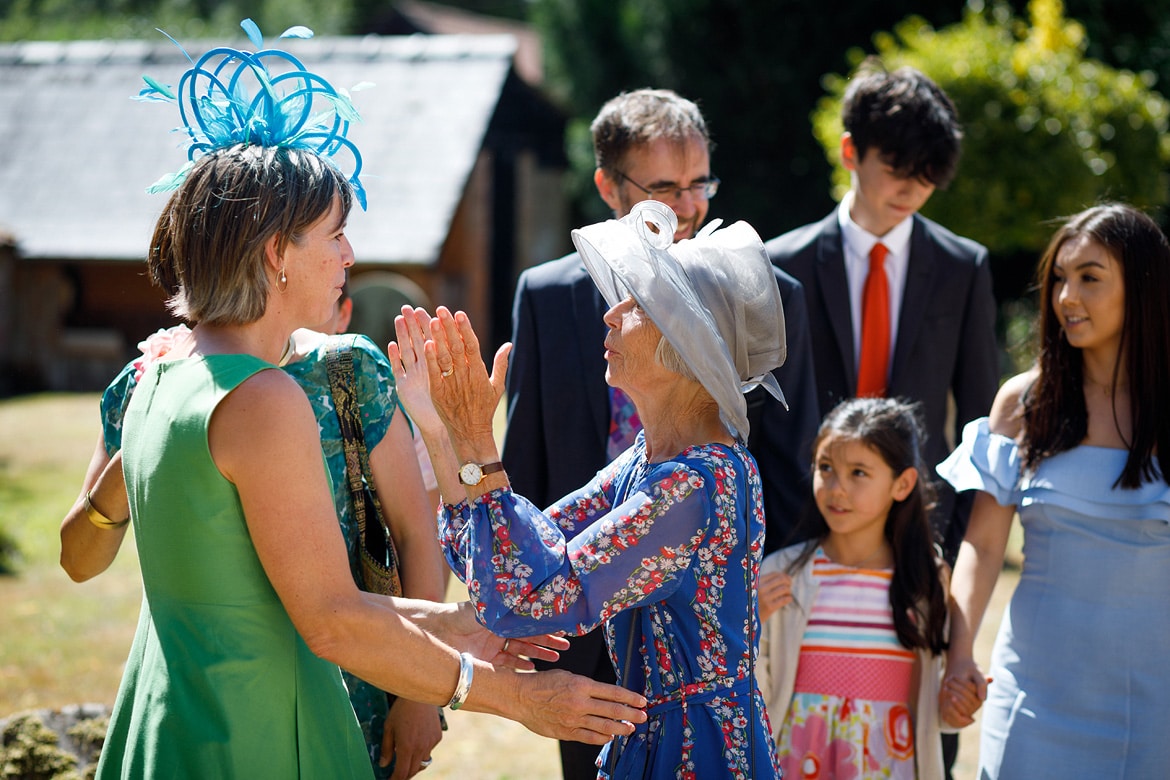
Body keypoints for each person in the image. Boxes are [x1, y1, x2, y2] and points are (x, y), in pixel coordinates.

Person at [62, 22, 646, 779]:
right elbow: (332, 621)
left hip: (174, 723)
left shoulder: (159, 377)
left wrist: (458, 625)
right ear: (276, 254)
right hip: (264, 734)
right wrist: (516, 700)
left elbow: (290, 593)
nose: (349, 256)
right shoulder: (264, 399)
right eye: (334, 235)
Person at [389, 200, 784, 778]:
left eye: (638, 305)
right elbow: (512, 564)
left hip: (696, 756)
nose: (610, 313)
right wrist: (443, 434)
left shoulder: (696, 484)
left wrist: (476, 438)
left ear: (687, 345)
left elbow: (530, 600)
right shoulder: (649, 462)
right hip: (654, 743)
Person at [503, 87, 819, 779]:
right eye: (664, 188)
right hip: (583, 634)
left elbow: (792, 461)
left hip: (703, 632)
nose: (685, 207)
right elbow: (528, 464)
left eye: (698, 184)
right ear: (609, 186)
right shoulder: (547, 296)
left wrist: (746, 573)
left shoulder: (769, 300)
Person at [72, 288, 447, 778]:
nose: (347, 255)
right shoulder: (148, 380)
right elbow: (78, 562)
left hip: (365, 684)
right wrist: (154, 434)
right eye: (333, 236)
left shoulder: (347, 372)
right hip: (203, 698)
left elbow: (416, 534)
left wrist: (421, 693)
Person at [937, 202, 1170, 778]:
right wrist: (960, 652)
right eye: (1060, 279)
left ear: (1142, 286)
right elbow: (984, 545)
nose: (1066, 297)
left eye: (1090, 278)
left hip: (1156, 706)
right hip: (1033, 697)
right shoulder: (1022, 404)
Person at [765, 61, 999, 565]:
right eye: (898, 170)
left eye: (929, 176)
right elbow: (755, 416)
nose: (912, 190)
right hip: (798, 534)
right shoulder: (778, 265)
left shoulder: (964, 267)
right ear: (850, 151)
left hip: (920, 535)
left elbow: (979, 420)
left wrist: (952, 548)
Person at [758, 397, 965, 779]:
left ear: (902, 484)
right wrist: (751, 625)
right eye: (826, 468)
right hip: (794, 763)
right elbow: (759, 695)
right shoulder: (781, 574)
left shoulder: (925, 581)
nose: (837, 488)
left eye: (858, 472)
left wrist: (955, 707)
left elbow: (934, 707)